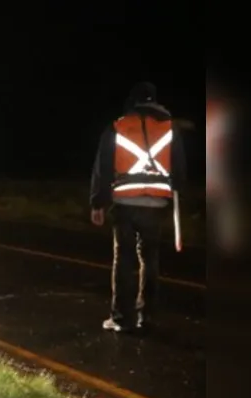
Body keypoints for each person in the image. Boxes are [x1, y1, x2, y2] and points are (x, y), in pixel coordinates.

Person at [89, 82, 187, 332]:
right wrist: (177, 191)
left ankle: (120, 317)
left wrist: (98, 202)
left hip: (125, 202)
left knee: (123, 259)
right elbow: (180, 167)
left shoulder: (118, 126)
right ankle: (148, 316)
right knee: (150, 259)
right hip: (156, 203)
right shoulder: (169, 127)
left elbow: (103, 165)